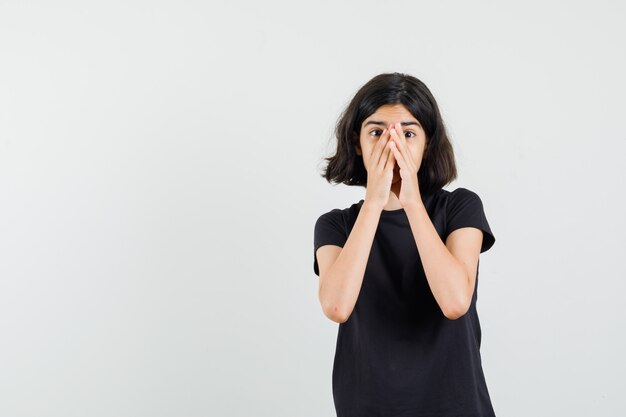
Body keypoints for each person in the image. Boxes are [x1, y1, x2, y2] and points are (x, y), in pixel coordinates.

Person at [313, 72, 498, 417]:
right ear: (357, 142)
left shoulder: (459, 208)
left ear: (427, 143)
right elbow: (336, 306)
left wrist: (412, 202)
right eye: (376, 132)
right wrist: (373, 203)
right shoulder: (336, 226)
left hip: (454, 406)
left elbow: (455, 302)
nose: (391, 145)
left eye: (408, 134)